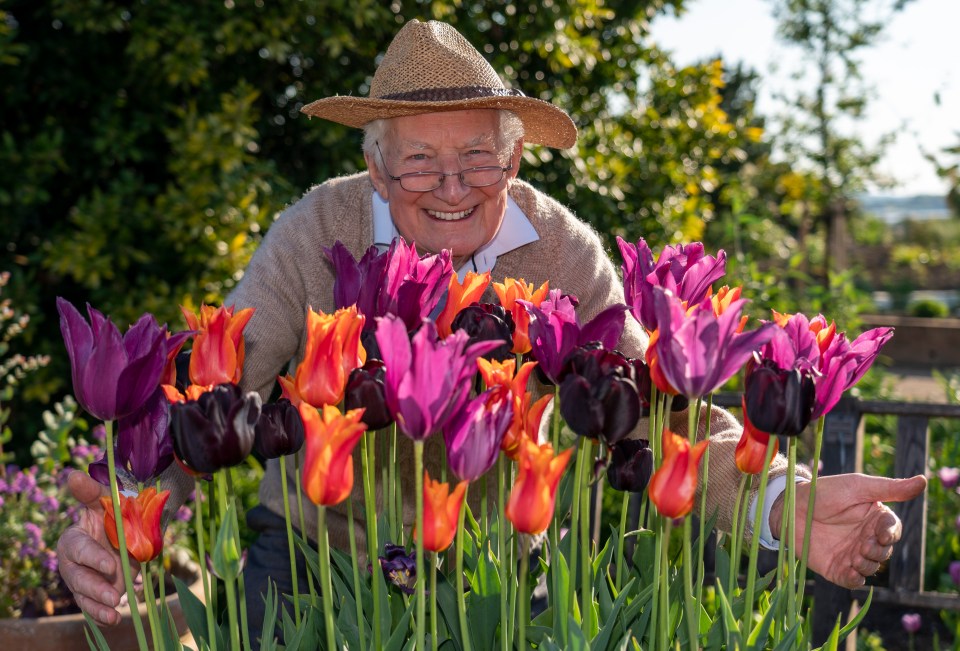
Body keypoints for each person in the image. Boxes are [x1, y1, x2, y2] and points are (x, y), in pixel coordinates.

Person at [57, 18, 926, 639]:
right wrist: (121, 512)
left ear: (513, 157)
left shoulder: (562, 253)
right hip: (314, 567)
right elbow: (216, 387)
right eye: (419, 160)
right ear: (375, 165)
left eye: (478, 155)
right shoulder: (314, 235)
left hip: (499, 575)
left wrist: (786, 496)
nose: (450, 184)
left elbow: (668, 412)